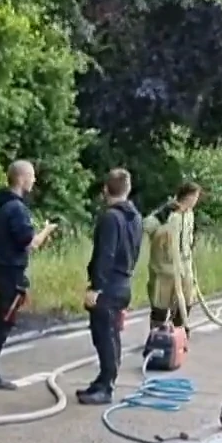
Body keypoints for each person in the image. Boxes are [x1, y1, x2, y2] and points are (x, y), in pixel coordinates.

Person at [0, 160, 60, 389]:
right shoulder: (17, 209)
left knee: (4, 318)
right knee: (5, 320)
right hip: (10, 271)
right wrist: (46, 231)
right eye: (32, 176)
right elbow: (30, 243)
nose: (34, 181)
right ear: (21, 178)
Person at [77, 168, 145, 406]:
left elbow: (105, 254)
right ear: (127, 190)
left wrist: (96, 287)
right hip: (124, 282)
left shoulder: (110, 218)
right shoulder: (135, 218)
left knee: (104, 335)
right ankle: (105, 379)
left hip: (109, 286)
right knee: (112, 334)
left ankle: (106, 386)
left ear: (106, 189)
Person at [145, 180, 202, 331]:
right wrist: (164, 213)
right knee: (160, 304)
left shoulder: (190, 214)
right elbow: (147, 226)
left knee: (187, 299)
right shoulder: (168, 213)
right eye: (195, 197)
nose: (196, 200)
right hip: (164, 268)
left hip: (184, 267)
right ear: (188, 196)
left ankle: (178, 330)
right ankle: (156, 333)